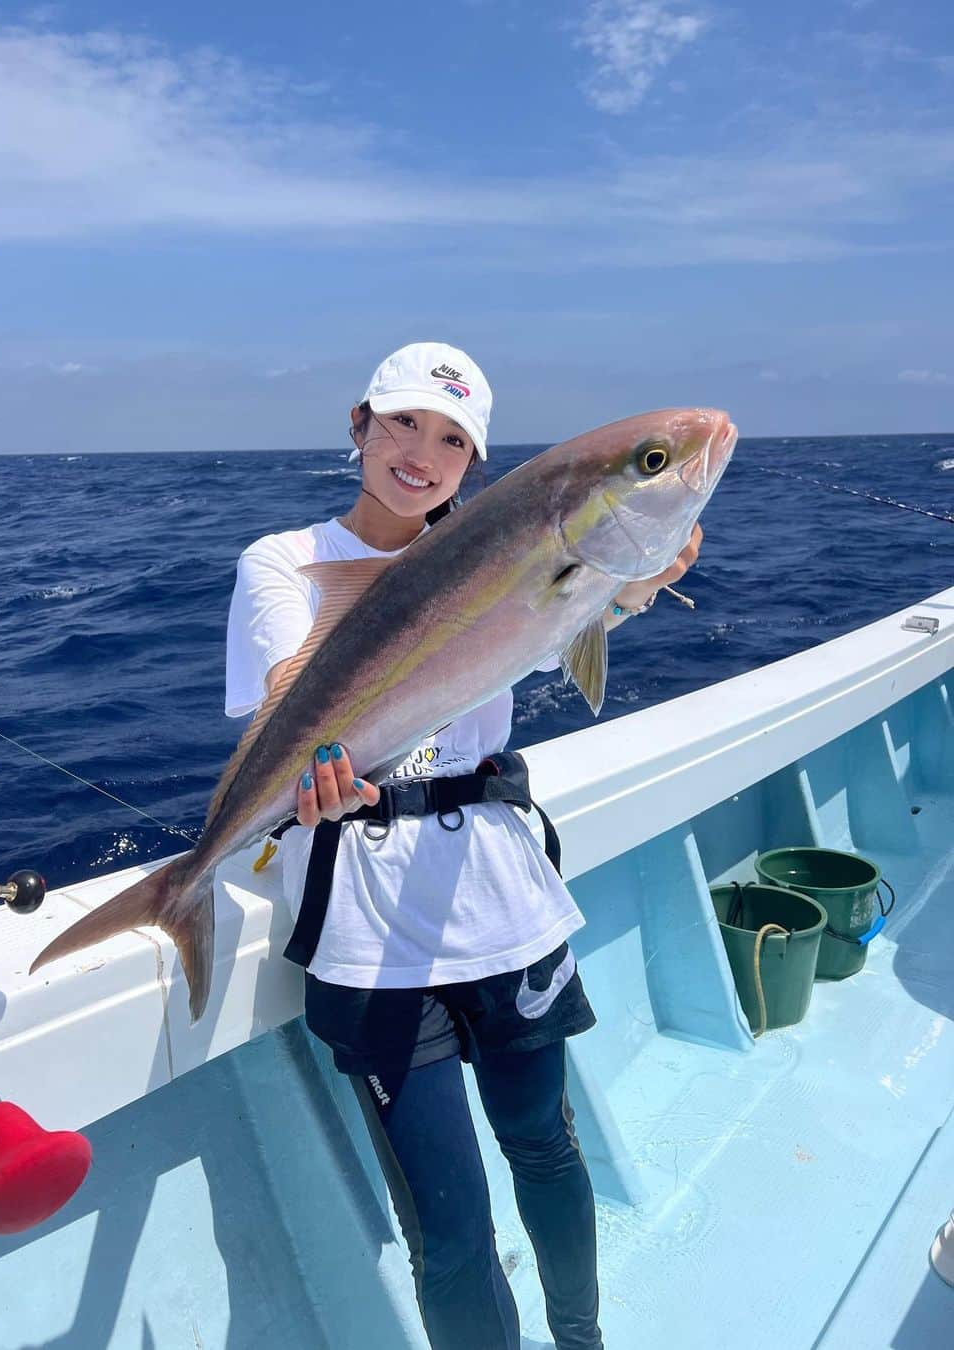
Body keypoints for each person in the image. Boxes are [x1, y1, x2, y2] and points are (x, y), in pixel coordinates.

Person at [224, 342, 703, 1350]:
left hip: (500, 904)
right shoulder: (286, 559)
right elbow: (287, 689)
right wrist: (306, 772)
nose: (421, 452)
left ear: (473, 463)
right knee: (448, 1227)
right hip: (367, 930)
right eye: (403, 422)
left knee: (547, 1147)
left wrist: (635, 586)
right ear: (359, 424)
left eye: (451, 438)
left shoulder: (507, 543)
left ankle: (581, 1340)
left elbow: (576, 605)